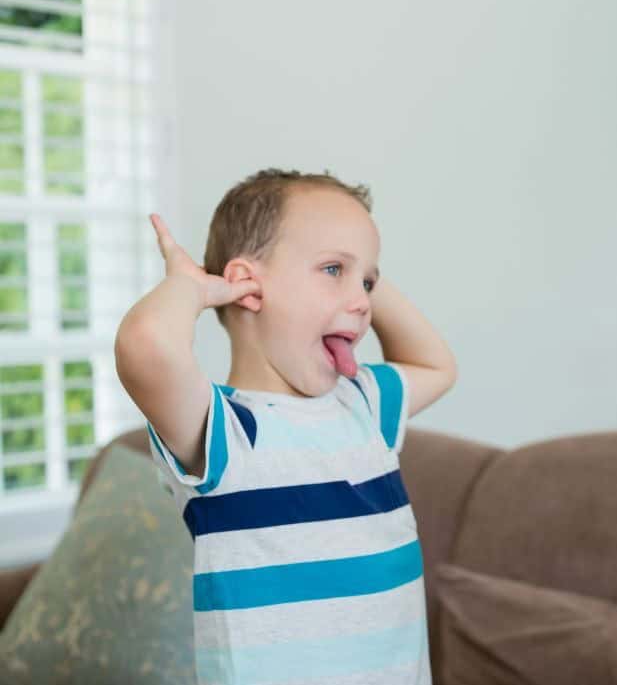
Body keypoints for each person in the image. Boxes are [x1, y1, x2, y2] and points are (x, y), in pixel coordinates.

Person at [114, 169, 456, 684]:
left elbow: (438, 367)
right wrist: (193, 288)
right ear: (249, 287)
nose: (362, 301)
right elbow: (145, 345)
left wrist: (358, 274)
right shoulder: (226, 430)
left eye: (368, 281)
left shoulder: (364, 406)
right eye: (333, 269)